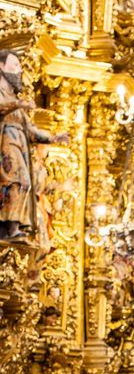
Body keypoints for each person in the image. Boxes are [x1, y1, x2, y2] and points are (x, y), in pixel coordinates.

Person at [0, 50, 68, 240]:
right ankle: (9, 227)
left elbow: (31, 130)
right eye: (14, 66)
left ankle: (11, 226)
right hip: (6, 144)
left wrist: (54, 137)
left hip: (19, 145)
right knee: (17, 181)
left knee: (24, 183)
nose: (18, 71)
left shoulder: (15, 101)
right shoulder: (6, 97)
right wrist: (18, 103)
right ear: (2, 67)